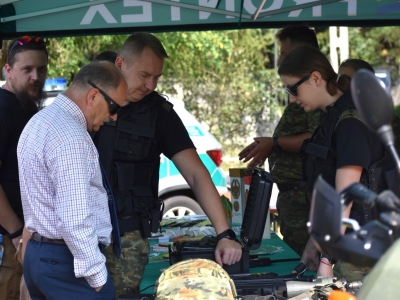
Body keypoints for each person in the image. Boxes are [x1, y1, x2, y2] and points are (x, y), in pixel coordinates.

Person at [93, 32, 242, 297]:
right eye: (144, 75)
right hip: (79, 233)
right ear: (120, 64)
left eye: (157, 77)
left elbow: (196, 174)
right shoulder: (88, 102)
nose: (150, 85)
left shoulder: (159, 115)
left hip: (126, 238)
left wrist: (224, 233)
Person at [278, 47, 395, 280]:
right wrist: (315, 244)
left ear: (315, 78)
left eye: (293, 88)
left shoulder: (350, 120)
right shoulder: (334, 115)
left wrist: (325, 260)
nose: (291, 98)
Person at [18, 61, 127, 300]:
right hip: (66, 262)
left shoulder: (39, 121)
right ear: (93, 96)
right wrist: (98, 277)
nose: (114, 117)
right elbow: (74, 218)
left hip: (41, 256)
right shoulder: (70, 136)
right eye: (113, 107)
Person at [238, 25, 323, 256]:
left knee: (308, 270)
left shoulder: (319, 95)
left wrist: (275, 144)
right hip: (292, 198)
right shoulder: (305, 94)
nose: (280, 61)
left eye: (284, 54)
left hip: (306, 198)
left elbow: (317, 139)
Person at [0, 35, 48, 300]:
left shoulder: (26, 107)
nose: (35, 76)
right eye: (26, 69)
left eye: (41, 69)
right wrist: (17, 233)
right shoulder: (3, 108)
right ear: (8, 70)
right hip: (10, 243)